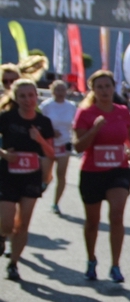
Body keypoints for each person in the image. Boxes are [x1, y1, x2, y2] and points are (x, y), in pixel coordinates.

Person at [73, 70, 130, 283]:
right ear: (93, 90)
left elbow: (128, 138)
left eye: (107, 86)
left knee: (117, 215)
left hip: (118, 170)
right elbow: (78, 146)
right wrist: (94, 130)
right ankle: (91, 260)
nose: (104, 91)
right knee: (93, 222)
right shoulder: (85, 113)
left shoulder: (122, 112)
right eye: (99, 87)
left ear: (113, 88)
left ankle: (115, 265)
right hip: (92, 171)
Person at [0, 79, 55, 281]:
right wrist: (4, 154)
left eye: (31, 95)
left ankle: (13, 263)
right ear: (15, 98)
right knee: (7, 224)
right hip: (7, 174)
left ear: (36, 96)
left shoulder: (44, 122)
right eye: (22, 96)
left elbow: (51, 153)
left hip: (31, 176)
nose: (27, 100)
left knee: (23, 223)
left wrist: (39, 139)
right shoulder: (6, 118)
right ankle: (2, 235)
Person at [39, 79, 77, 214]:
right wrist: (50, 132)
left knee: (61, 174)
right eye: (57, 90)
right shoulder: (46, 105)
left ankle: (56, 203)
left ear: (66, 91)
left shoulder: (71, 106)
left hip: (64, 143)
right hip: (48, 143)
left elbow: (75, 124)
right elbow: (39, 123)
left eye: (62, 90)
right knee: (45, 175)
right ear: (52, 91)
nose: (60, 93)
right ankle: (45, 182)